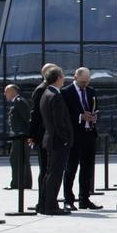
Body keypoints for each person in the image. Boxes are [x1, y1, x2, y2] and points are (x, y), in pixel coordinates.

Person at [62, 67, 101, 210]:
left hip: (89, 133)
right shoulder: (66, 92)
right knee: (71, 167)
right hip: (75, 135)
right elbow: (64, 114)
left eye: (87, 81)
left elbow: (96, 107)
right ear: (75, 77)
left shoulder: (91, 91)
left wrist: (94, 116)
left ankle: (84, 198)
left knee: (87, 168)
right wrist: (80, 116)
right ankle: (68, 199)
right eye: (83, 81)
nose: (85, 84)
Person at [37, 66, 74, 216]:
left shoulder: (46, 94)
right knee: (55, 174)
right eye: (62, 76)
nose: (64, 79)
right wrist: (65, 139)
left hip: (51, 139)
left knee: (49, 173)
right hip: (58, 141)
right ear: (58, 78)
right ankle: (51, 206)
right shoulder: (55, 96)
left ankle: (44, 204)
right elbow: (59, 122)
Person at [29, 66, 56, 190]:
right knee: (45, 167)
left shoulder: (51, 89)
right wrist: (32, 135)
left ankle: (48, 196)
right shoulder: (41, 89)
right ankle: (43, 197)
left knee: (50, 167)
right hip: (43, 135)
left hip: (50, 134)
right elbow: (35, 114)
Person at [4, 84, 32, 192]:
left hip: (22, 137)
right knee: (20, 159)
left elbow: (27, 119)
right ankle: (22, 183)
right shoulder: (17, 102)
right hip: (19, 137)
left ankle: (19, 183)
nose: (5, 94)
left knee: (17, 159)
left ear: (12, 91)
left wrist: (29, 135)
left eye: (6, 91)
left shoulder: (19, 101)